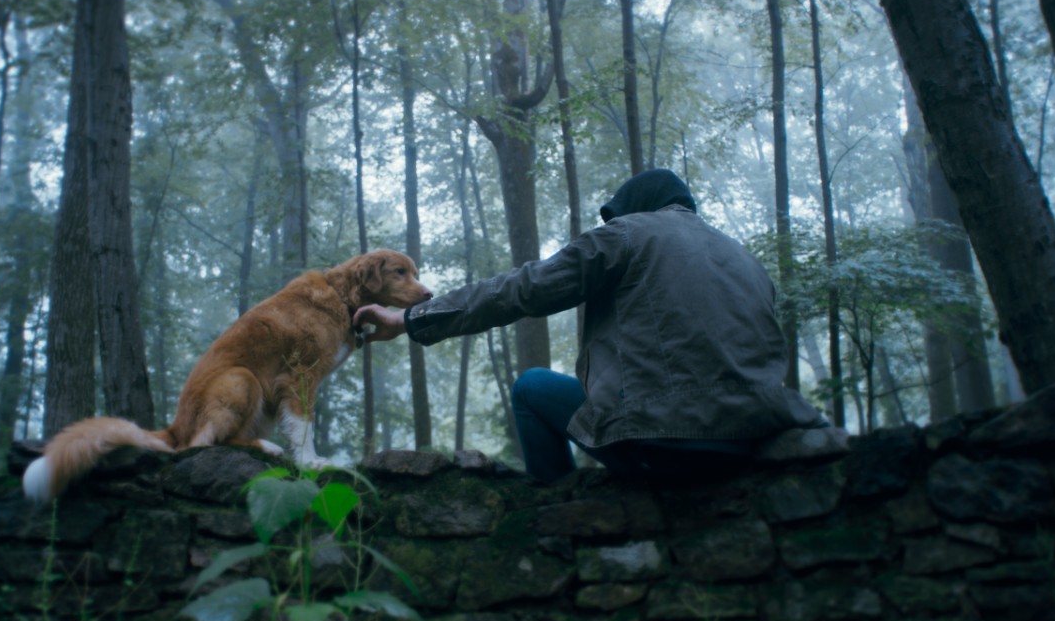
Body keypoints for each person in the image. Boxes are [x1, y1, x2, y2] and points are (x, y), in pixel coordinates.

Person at [353, 168, 824, 483]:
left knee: (533, 388)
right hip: (753, 436)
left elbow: (525, 288)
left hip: (665, 438)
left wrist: (411, 318)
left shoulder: (626, 233)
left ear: (633, 208)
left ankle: (556, 513)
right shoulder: (743, 258)